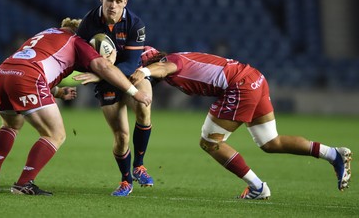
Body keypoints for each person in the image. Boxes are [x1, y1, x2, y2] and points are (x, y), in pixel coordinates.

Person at [127, 47, 352, 199]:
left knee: (209, 142)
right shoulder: (173, 62)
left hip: (240, 86)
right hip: (254, 78)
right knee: (270, 142)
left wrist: (144, 70)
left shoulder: (168, 62)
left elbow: (164, 67)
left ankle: (258, 187)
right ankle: (333, 154)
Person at [0, 18, 151, 196]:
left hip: (3, 73)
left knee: (10, 125)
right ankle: (23, 184)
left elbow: (32, 63)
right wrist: (134, 92)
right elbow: (103, 67)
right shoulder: (76, 40)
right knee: (55, 134)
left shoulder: (45, 34)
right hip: (28, 78)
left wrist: (57, 92)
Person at [76, 0, 154, 196]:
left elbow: (131, 63)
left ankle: (138, 166)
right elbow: (79, 59)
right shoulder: (88, 23)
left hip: (129, 75)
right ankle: (125, 180)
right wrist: (101, 70)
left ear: (125, 2)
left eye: (118, 1)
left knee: (144, 104)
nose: (113, 5)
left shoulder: (135, 24)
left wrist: (107, 65)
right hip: (104, 81)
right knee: (121, 136)